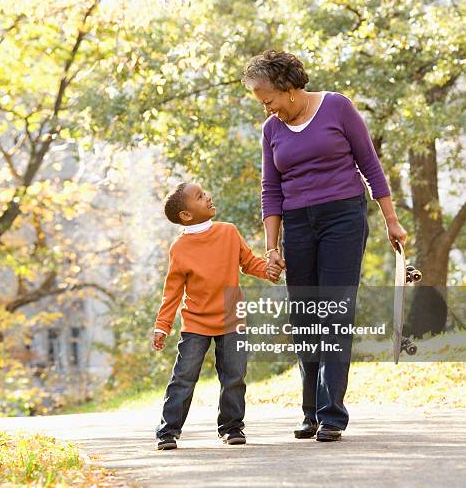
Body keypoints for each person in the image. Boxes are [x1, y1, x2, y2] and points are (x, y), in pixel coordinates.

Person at [242, 49, 407, 442]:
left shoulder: (337, 107)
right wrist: (272, 247)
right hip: (298, 224)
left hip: (343, 217)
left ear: (289, 87)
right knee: (304, 318)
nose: (267, 109)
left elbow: (370, 165)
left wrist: (391, 220)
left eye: (269, 100)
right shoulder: (272, 130)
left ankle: (332, 414)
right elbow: (270, 191)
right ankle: (309, 412)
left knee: (333, 312)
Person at [152, 182, 277, 450]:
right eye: (200, 196)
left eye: (204, 192)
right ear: (186, 215)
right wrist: (162, 326)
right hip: (196, 324)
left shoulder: (228, 232)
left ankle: (232, 427)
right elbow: (172, 292)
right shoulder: (180, 249)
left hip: (232, 320)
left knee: (234, 376)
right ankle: (168, 431)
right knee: (184, 378)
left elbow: (249, 262)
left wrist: (271, 270)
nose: (207, 196)